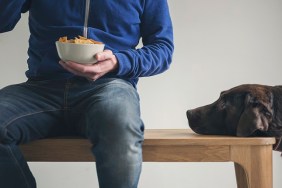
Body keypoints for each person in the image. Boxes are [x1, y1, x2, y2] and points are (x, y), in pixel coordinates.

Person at [0, 0, 174, 187]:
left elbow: (162, 49)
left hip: (109, 87)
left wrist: (118, 61)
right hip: (41, 88)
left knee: (120, 124)